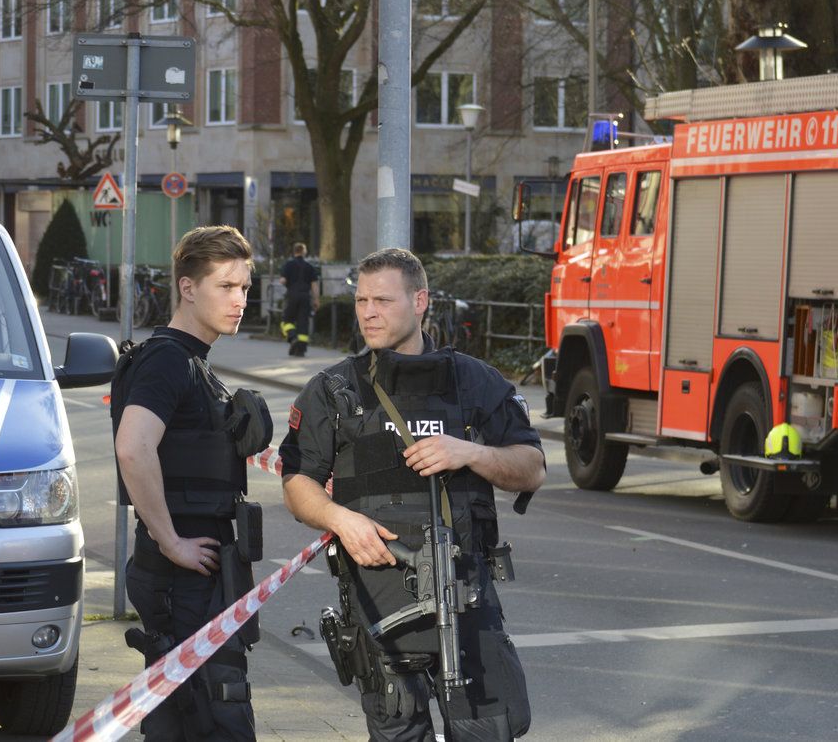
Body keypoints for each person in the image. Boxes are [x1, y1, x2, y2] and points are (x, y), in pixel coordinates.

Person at [279, 248, 543, 741]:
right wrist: (339, 518)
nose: (367, 312)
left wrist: (470, 453)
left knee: (490, 728)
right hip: (377, 596)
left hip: (462, 588)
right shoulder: (335, 391)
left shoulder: (474, 381)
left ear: (420, 300)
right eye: (360, 300)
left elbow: (532, 468)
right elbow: (297, 484)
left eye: (382, 299)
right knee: (399, 730)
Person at [110, 225, 271, 742]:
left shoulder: (192, 362)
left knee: (189, 711)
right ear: (187, 287)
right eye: (226, 286)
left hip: (198, 571)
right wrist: (169, 540)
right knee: (209, 711)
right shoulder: (168, 360)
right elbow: (133, 447)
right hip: (182, 576)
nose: (240, 300)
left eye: (245, 288)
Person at [279, 242, 319, 357]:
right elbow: (314, 286)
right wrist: (316, 299)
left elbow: (282, 281)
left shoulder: (289, 265)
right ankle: (300, 350)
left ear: (294, 251)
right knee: (303, 322)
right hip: (305, 296)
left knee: (286, 320)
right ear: (304, 251)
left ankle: (292, 337)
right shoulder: (309, 266)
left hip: (292, 295)